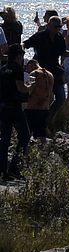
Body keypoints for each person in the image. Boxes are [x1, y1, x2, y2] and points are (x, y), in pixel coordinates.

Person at [23, 15, 69, 121]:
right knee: (41, 98)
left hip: (55, 71)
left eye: (59, 27)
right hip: (41, 72)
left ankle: (47, 119)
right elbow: (26, 44)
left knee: (61, 98)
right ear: (48, 25)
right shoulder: (40, 36)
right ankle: (36, 122)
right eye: (55, 27)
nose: (57, 29)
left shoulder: (59, 38)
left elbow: (63, 52)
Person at [0, 44, 30, 181]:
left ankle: (3, 171)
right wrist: (31, 87)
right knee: (24, 135)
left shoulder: (3, 69)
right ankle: (14, 166)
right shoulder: (17, 68)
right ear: (18, 56)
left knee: (5, 139)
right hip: (14, 107)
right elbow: (20, 87)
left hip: (3, 107)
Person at [24, 60, 54, 139]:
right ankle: (43, 150)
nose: (27, 71)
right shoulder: (50, 74)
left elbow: (29, 91)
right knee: (41, 135)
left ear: (30, 65)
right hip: (45, 108)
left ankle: (27, 150)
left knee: (27, 133)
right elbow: (51, 95)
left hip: (33, 108)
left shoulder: (34, 74)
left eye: (27, 68)